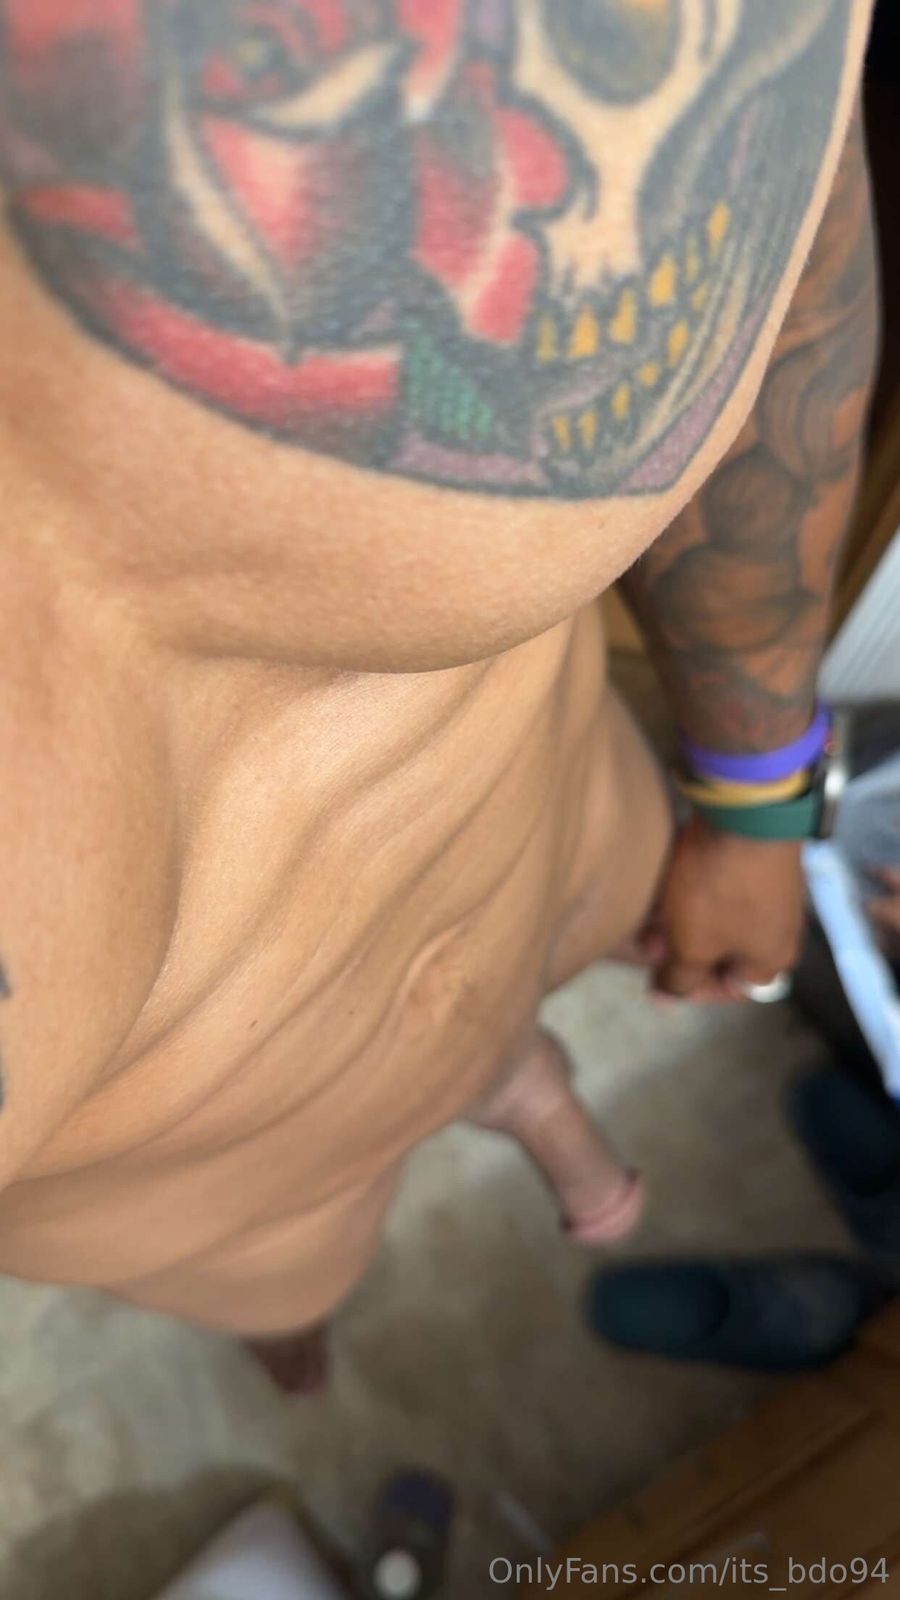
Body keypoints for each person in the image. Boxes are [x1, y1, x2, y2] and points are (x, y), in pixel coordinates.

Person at [0, 1, 879, 1382]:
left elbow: (785, 233)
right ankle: (314, 1299)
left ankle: (507, 1090)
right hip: (253, 1209)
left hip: (571, 856)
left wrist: (759, 793)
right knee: (294, 1303)